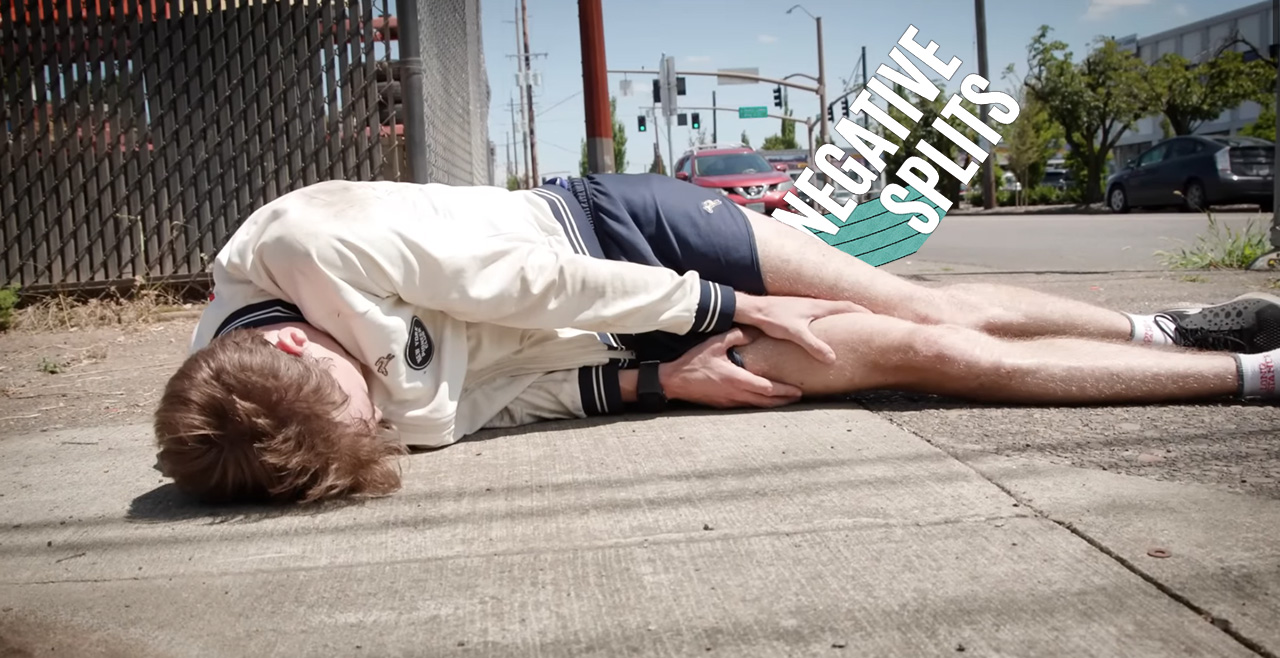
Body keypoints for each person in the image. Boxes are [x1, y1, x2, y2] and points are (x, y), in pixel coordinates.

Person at [154, 174, 1280, 505]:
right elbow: (503, 403)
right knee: (921, 354)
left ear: (301, 346)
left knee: (915, 306)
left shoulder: (311, 243)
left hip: (618, 230)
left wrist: (725, 307)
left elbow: (535, 278)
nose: (390, 415)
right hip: (643, 339)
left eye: (369, 398)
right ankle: (1250, 373)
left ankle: (1159, 324)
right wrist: (658, 385)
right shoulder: (299, 425)